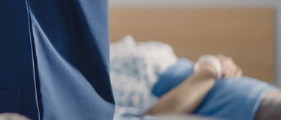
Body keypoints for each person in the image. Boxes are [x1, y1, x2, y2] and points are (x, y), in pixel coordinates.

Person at [109, 36, 280, 120]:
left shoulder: (114, 51)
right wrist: (210, 68)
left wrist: (213, 63)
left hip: (220, 85)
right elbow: (155, 114)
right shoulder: (97, 81)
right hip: (202, 95)